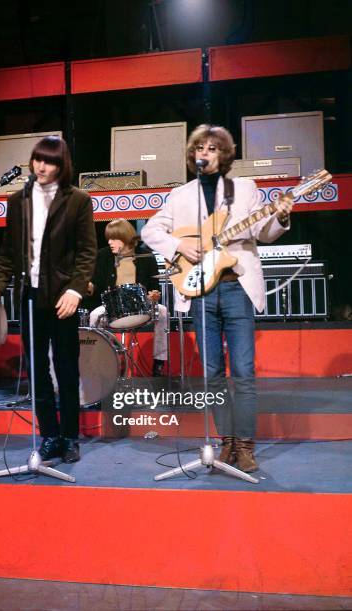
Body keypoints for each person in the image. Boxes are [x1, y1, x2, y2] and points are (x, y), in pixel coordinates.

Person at [142, 124, 293, 472]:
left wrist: (280, 216)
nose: (204, 153)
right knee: (212, 373)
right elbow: (150, 230)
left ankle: (245, 445)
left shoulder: (244, 189)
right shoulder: (180, 195)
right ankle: (225, 441)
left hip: (236, 286)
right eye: (200, 148)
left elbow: (263, 232)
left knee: (243, 370)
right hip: (200, 291)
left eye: (212, 148)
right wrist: (180, 244)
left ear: (224, 154)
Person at [0, 136, 97, 463]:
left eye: (49, 161)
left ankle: (70, 436)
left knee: (65, 369)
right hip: (30, 297)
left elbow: (88, 252)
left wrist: (76, 290)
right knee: (37, 371)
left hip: (64, 297)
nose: (42, 166)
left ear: (61, 166)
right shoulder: (18, 201)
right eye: (38, 160)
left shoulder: (77, 200)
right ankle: (49, 435)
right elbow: (7, 253)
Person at [86, 218, 169, 376]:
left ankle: (159, 362)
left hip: (141, 306)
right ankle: (99, 362)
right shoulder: (103, 256)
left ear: (124, 238)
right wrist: (89, 286)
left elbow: (154, 288)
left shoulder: (145, 257)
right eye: (108, 238)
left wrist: (154, 295)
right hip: (112, 307)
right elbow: (95, 284)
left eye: (114, 239)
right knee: (94, 315)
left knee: (163, 311)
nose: (110, 242)